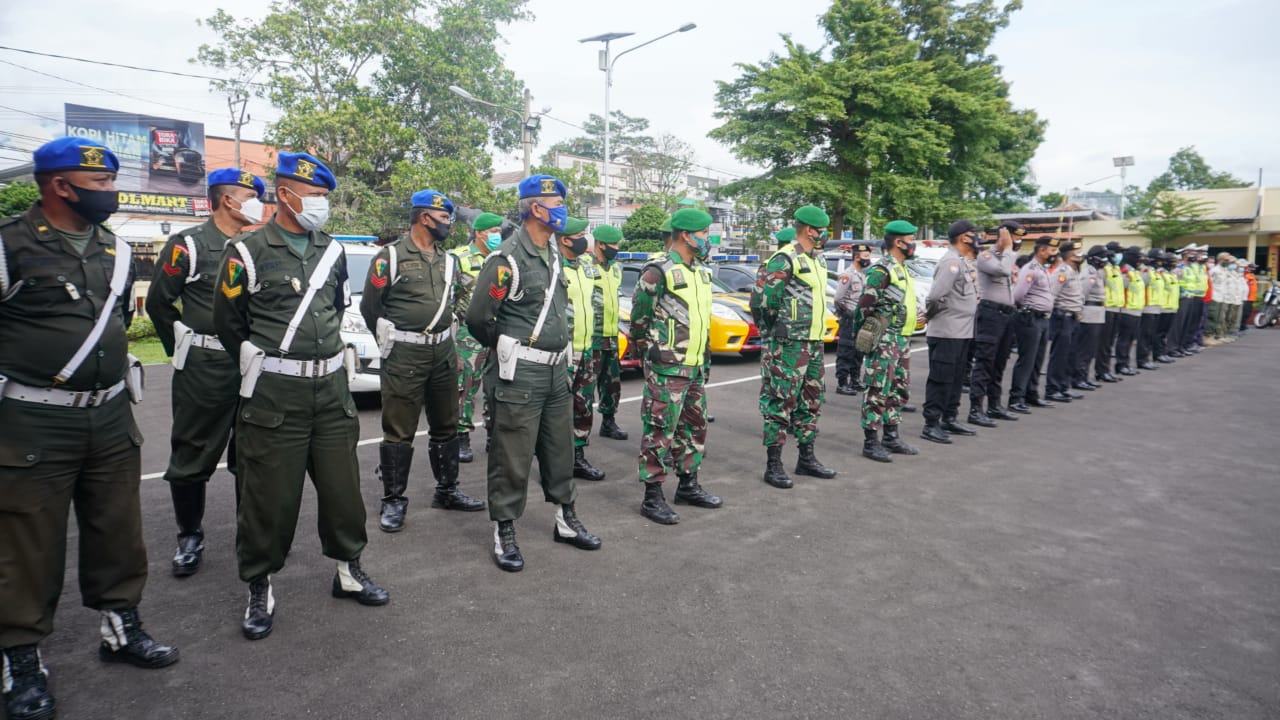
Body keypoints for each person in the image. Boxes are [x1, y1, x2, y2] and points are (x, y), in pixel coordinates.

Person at [0, 137, 180, 720]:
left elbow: (116, 322)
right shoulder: (9, 246)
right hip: (32, 418)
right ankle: (20, 660)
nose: (110, 192)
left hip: (108, 414)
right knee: (27, 543)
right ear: (59, 185)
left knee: (117, 530)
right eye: (99, 183)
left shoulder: (117, 250)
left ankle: (121, 627)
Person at [214, 151, 389, 641]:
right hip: (275, 395)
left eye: (324, 198)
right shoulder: (247, 252)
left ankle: (349, 570)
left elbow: (334, 309)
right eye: (314, 197)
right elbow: (230, 324)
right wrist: (270, 365)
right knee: (269, 498)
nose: (320, 206)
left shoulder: (332, 252)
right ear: (286, 195)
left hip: (331, 392)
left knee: (343, 492)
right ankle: (259, 584)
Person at [464, 174, 601, 572]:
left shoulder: (555, 254)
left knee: (561, 450)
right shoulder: (505, 260)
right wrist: (509, 347)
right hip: (519, 374)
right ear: (537, 209)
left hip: (556, 373)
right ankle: (504, 529)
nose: (563, 210)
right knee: (512, 455)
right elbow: (477, 319)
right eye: (557, 203)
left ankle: (566, 519)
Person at [146, 168, 265, 576]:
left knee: (251, 454)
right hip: (206, 365)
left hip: (252, 365)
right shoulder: (190, 244)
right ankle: (189, 535)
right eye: (249, 195)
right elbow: (160, 304)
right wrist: (181, 350)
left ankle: (247, 535)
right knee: (193, 452)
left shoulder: (259, 245)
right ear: (227, 200)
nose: (256, 203)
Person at [362, 189, 485, 534]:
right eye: (444, 218)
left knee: (446, 424)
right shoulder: (390, 257)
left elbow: (461, 299)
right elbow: (371, 307)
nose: (448, 224)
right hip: (405, 353)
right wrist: (391, 341)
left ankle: (447, 490)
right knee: (399, 429)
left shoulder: (449, 261)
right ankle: (394, 500)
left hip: (443, 352)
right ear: (424, 217)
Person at [629, 208, 723, 524]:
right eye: (705, 233)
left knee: (693, 428)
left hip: (695, 364)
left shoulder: (701, 271)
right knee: (660, 430)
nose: (708, 239)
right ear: (686, 234)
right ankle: (652, 497)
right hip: (667, 367)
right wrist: (651, 353)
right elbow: (639, 318)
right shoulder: (659, 270)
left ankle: (688, 486)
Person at [753, 206, 838, 488]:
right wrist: (773, 335)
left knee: (811, 401)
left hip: (813, 343)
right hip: (787, 344)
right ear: (810, 230)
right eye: (822, 229)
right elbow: (763, 302)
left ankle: (806, 458)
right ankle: (773, 464)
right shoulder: (784, 259)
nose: (826, 234)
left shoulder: (818, 260)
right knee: (780, 403)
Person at [856, 220, 921, 462]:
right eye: (911, 239)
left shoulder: (902, 268)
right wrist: (868, 336)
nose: (914, 243)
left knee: (898, 388)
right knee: (877, 389)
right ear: (898, 242)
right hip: (884, 339)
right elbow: (864, 306)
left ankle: (891, 436)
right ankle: (871, 442)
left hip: (902, 338)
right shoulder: (882, 270)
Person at [921, 220, 980, 443]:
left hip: (963, 332)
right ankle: (931, 423)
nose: (976, 238)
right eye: (973, 234)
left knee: (956, 379)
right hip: (947, 331)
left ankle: (950, 418)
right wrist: (929, 315)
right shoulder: (951, 262)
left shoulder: (962, 262)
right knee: (941, 378)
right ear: (964, 237)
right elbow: (936, 296)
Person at [452, 212, 504, 463]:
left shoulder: (503, 258)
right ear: (479, 233)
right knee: (465, 386)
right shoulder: (459, 258)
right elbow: (448, 298)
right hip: (468, 333)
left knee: (496, 387)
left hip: (498, 332)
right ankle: (461, 436)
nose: (498, 235)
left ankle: (493, 434)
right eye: (493, 230)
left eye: (499, 230)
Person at [560, 216, 607, 482]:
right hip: (562, 351)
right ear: (565, 239)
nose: (585, 240)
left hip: (586, 348)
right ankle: (554, 463)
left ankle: (578, 458)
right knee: (555, 412)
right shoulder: (551, 267)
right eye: (580, 235)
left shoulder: (586, 267)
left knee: (584, 406)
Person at [968, 220, 1025, 426]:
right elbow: (1002, 271)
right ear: (1003, 236)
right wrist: (1008, 247)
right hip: (990, 314)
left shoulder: (1008, 258)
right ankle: (976, 409)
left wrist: (1009, 251)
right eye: (1014, 237)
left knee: (1000, 363)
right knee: (985, 362)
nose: (1017, 242)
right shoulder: (986, 256)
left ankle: (994, 405)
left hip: (1006, 315)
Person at [1007, 236, 1059, 413]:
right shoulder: (1030, 268)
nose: (1055, 254)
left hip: (1043, 319)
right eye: (1052, 250)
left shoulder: (1042, 269)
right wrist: (1027, 310)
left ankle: (1031, 394)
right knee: (1027, 360)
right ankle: (1016, 398)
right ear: (1042, 250)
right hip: (1030, 318)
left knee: (1038, 360)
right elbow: (1018, 295)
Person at [591, 224, 628, 441]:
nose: (615, 248)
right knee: (584, 388)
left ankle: (608, 422)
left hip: (611, 334)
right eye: (612, 244)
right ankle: (576, 431)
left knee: (612, 383)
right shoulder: (585, 266)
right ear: (600, 244)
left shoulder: (616, 268)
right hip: (591, 335)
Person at [1045, 241, 1085, 403]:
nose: (1080, 254)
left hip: (1073, 317)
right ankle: (1052, 389)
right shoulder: (1062, 272)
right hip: (1062, 317)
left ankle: (1064, 386)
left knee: (1070, 355)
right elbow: (1052, 294)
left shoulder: (1073, 271)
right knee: (1059, 355)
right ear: (1069, 254)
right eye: (1077, 252)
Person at [834, 242, 874, 396]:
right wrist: (846, 313)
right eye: (865, 256)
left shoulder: (864, 274)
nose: (867, 259)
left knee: (859, 351)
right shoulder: (847, 275)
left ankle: (855, 380)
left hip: (860, 318)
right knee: (846, 350)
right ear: (856, 257)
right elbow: (838, 298)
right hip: (850, 318)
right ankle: (842, 382)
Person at [1069, 245, 1108, 391]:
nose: (1105, 260)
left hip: (1097, 313)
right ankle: (1078, 378)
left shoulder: (1097, 272)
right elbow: (1082, 294)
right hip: (1089, 314)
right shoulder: (1089, 273)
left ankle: (1084, 376)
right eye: (1102, 256)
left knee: (1091, 349)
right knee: (1084, 349)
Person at [1095, 241, 1126, 381]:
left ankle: (1106, 369)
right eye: (1116, 252)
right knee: (1104, 343)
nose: (1119, 255)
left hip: (1116, 308)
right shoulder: (1104, 269)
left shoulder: (1116, 269)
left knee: (1110, 342)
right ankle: (1101, 371)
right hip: (1106, 308)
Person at [1113, 246, 1146, 375]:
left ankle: (1126, 363)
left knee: (1131, 339)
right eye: (1138, 258)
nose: (1140, 260)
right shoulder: (1125, 270)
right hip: (1127, 309)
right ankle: (1121, 364)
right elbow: (1123, 286)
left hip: (1136, 309)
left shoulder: (1135, 271)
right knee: (1124, 339)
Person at [1135, 248, 1165, 369]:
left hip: (1156, 307)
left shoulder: (1156, 272)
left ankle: (1147, 357)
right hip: (1147, 307)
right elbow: (1141, 288)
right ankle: (1142, 360)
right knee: (1145, 335)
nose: (1161, 262)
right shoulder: (1146, 272)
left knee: (1151, 335)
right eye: (1159, 260)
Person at [1242, 263, 1259, 330]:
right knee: (1245, 313)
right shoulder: (1246, 275)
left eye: (1254, 268)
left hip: (1251, 298)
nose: (1254, 269)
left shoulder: (1252, 275)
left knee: (1248, 312)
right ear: (1248, 268)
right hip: (1247, 298)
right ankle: (1242, 326)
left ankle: (1244, 325)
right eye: (1252, 268)